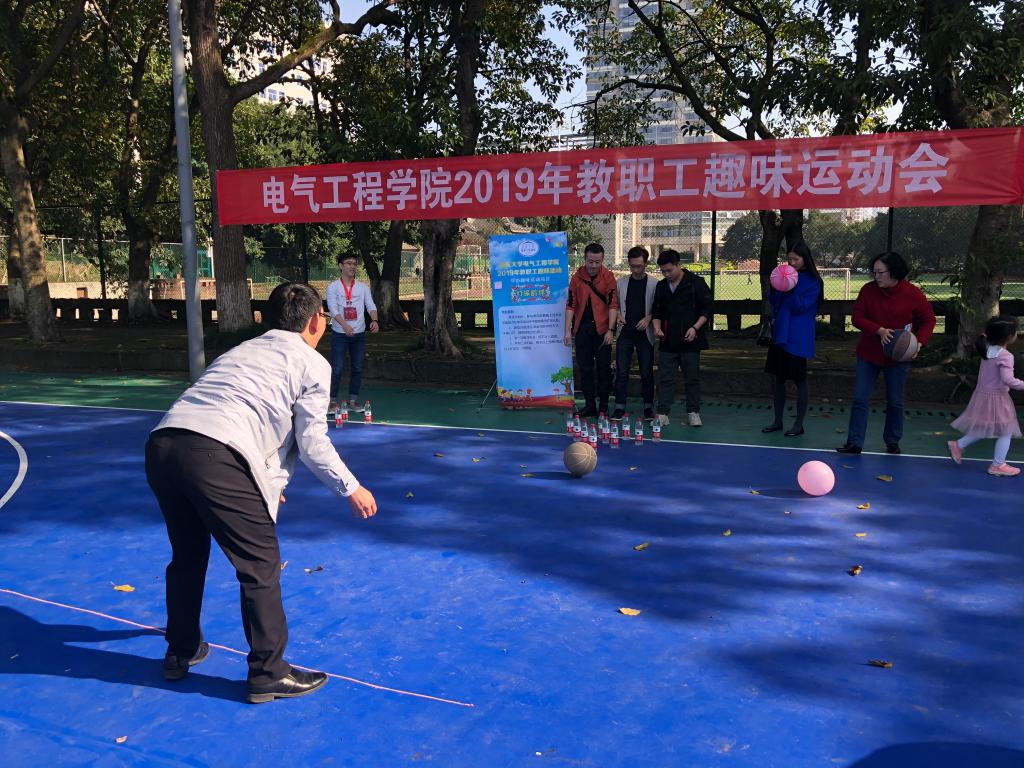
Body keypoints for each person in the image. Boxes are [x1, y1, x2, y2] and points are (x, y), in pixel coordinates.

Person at [145, 282, 378, 704]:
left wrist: (259, 482)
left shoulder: (240, 350)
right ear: (316, 321)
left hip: (164, 445)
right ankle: (268, 673)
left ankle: (180, 650)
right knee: (260, 565)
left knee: (188, 555)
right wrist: (351, 487)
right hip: (217, 455)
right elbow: (311, 442)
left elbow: (252, 420)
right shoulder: (311, 363)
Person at [837, 251, 936, 454]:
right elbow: (857, 318)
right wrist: (879, 330)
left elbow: (928, 320)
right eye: (874, 272)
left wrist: (919, 343)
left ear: (894, 272)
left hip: (898, 357)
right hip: (869, 354)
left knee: (895, 401)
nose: (877, 277)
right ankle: (854, 442)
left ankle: (892, 441)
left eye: (881, 272)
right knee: (860, 398)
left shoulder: (912, 293)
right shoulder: (868, 290)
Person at [947, 315, 1024, 476]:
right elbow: (1008, 380)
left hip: (983, 396)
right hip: (997, 398)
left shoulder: (987, 349)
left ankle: (958, 445)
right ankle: (998, 465)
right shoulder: (1005, 356)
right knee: (1006, 431)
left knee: (983, 427)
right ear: (1009, 336)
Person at [762, 241, 824, 437]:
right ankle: (777, 420)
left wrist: (790, 288)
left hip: (797, 336)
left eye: (796, 259)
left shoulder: (813, 281)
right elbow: (775, 303)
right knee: (777, 378)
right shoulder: (787, 276)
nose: (792, 263)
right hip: (780, 333)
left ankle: (799, 424)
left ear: (805, 259)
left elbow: (801, 307)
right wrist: (776, 287)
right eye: (789, 259)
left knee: (799, 380)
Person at [651, 249, 713, 426]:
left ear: (678, 265)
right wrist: (657, 328)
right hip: (668, 340)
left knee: (691, 378)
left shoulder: (696, 283)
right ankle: (662, 413)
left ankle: (693, 412)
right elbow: (656, 311)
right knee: (666, 378)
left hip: (690, 340)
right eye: (663, 271)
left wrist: (695, 328)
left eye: (669, 270)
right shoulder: (661, 286)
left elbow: (707, 309)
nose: (666, 274)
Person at [564, 243, 618, 418]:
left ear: (602, 260)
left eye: (597, 262)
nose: (594, 265)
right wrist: (567, 331)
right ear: (584, 259)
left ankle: (603, 406)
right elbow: (571, 305)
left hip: (602, 330)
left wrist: (610, 330)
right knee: (585, 368)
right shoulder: (576, 278)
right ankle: (589, 405)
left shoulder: (608, 277)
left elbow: (613, 305)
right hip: (582, 329)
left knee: (603, 369)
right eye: (590, 261)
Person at [326, 252, 379, 413]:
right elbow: (333, 309)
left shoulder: (363, 287)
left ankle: (353, 401)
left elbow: (370, 305)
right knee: (337, 368)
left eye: (355, 264)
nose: (352, 266)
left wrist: (374, 320)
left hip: (359, 335)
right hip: (339, 334)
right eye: (348, 263)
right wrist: (344, 326)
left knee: (357, 367)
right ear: (340, 266)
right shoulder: (333, 287)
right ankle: (332, 401)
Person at [612, 246, 657, 421]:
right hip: (625, 333)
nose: (635, 270)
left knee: (646, 371)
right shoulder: (621, 283)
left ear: (646, 263)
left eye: (639, 266)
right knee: (622, 371)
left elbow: (659, 307)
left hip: (645, 334)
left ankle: (648, 407)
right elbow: (614, 305)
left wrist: (648, 318)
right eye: (632, 266)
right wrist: (618, 315)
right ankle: (619, 406)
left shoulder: (654, 284)